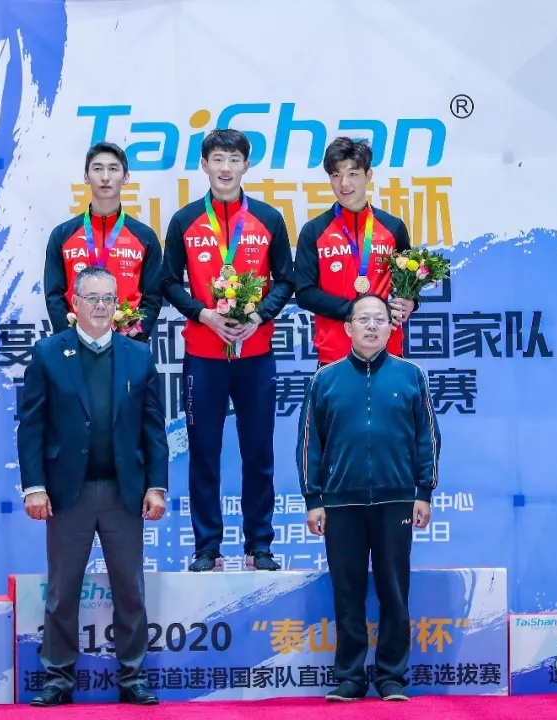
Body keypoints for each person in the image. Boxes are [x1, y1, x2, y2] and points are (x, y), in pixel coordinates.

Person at [17, 266, 169, 707]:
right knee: (63, 590)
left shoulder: (138, 356)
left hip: (124, 492)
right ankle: (58, 679)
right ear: (75, 303)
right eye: (93, 298)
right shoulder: (48, 354)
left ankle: (133, 677)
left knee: (130, 589)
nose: (101, 307)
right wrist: (34, 487)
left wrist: (156, 486)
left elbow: (153, 428)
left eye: (108, 299)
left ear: (117, 305)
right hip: (69, 493)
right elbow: (31, 426)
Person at [160, 128, 295, 572]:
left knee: (258, 453)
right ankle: (207, 547)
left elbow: (287, 280)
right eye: (217, 159)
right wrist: (204, 315)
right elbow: (167, 282)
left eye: (234, 160)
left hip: (255, 355)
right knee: (204, 452)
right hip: (204, 355)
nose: (225, 168)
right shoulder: (184, 220)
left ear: (246, 165)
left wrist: (258, 317)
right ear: (204, 165)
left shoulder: (268, 219)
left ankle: (260, 545)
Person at [296, 293, 441, 702]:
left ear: (391, 327)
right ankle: (350, 677)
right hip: (341, 502)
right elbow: (309, 444)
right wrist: (314, 499)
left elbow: (427, 437)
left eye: (380, 319)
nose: (372, 326)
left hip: (397, 500)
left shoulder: (410, 375)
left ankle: (392, 676)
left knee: (395, 590)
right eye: (364, 319)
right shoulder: (325, 379)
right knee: (348, 592)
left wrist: (423, 492)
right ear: (348, 328)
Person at [295, 137, 417, 367]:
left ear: (368, 175)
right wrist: (354, 311)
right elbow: (304, 293)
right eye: (336, 175)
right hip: (335, 356)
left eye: (352, 174)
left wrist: (411, 302)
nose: (344, 183)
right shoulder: (314, 231)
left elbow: (410, 282)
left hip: (388, 352)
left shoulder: (393, 227)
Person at [44, 142, 162, 342]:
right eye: (98, 169)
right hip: (75, 343)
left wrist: (134, 337)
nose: (105, 177)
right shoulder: (62, 235)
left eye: (113, 169)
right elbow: (54, 295)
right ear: (86, 176)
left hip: (128, 344)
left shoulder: (145, 237)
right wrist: (70, 336)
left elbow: (153, 296)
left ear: (126, 177)